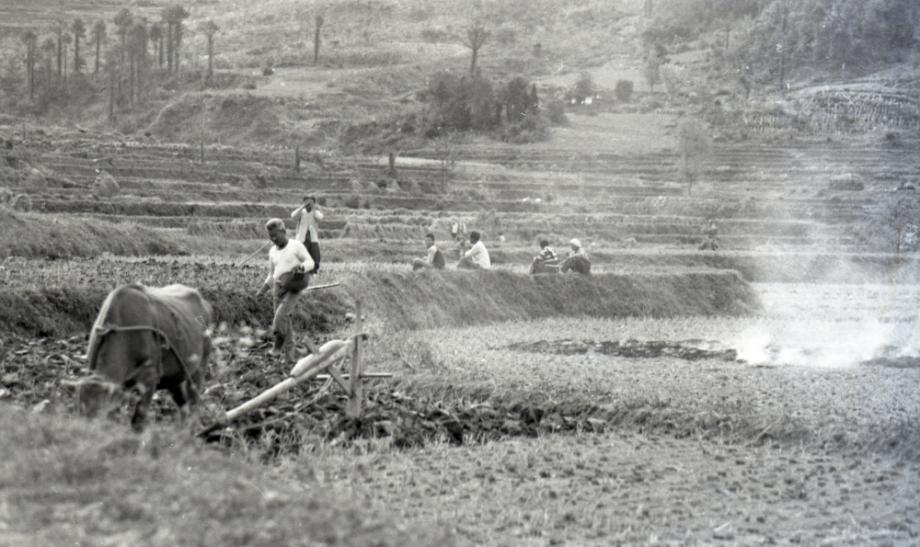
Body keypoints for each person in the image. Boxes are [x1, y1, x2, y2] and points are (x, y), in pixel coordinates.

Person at [256, 218, 314, 363]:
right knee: (284, 320)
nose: (274, 239)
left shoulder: (296, 246)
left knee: (279, 318)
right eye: (271, 237)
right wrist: (262, 290)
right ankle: (290, 357)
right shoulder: (272, 252)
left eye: (276, 235)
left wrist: (301, 268)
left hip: (294, 286)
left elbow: (310, 262)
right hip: (278, 288)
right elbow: (272, 274)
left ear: (284, 231)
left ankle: (278, 347)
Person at [290, 196, 324, 273]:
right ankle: (301, 271)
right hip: (301, 238)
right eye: (307, 202)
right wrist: (302, 207)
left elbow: (320, 218)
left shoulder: (316, 212)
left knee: (315, 255)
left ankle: (314, 271)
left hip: (313, 238)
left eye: (311, 202)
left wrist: (313, 208)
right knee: (301, 255)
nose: (308, 205)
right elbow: (293, 216)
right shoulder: (301, 212)